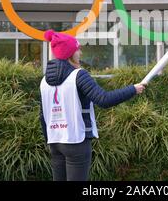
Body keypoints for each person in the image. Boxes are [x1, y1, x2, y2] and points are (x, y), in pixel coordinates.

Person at [40, 30, 146, 181]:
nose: (80, 52)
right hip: (77, 142)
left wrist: (49, 140)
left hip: (55, 143)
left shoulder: (44, 81)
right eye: (77, 49)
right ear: (70, 53)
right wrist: (133, 89)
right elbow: (104, 99)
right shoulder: (79, 75)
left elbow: (43, 116)